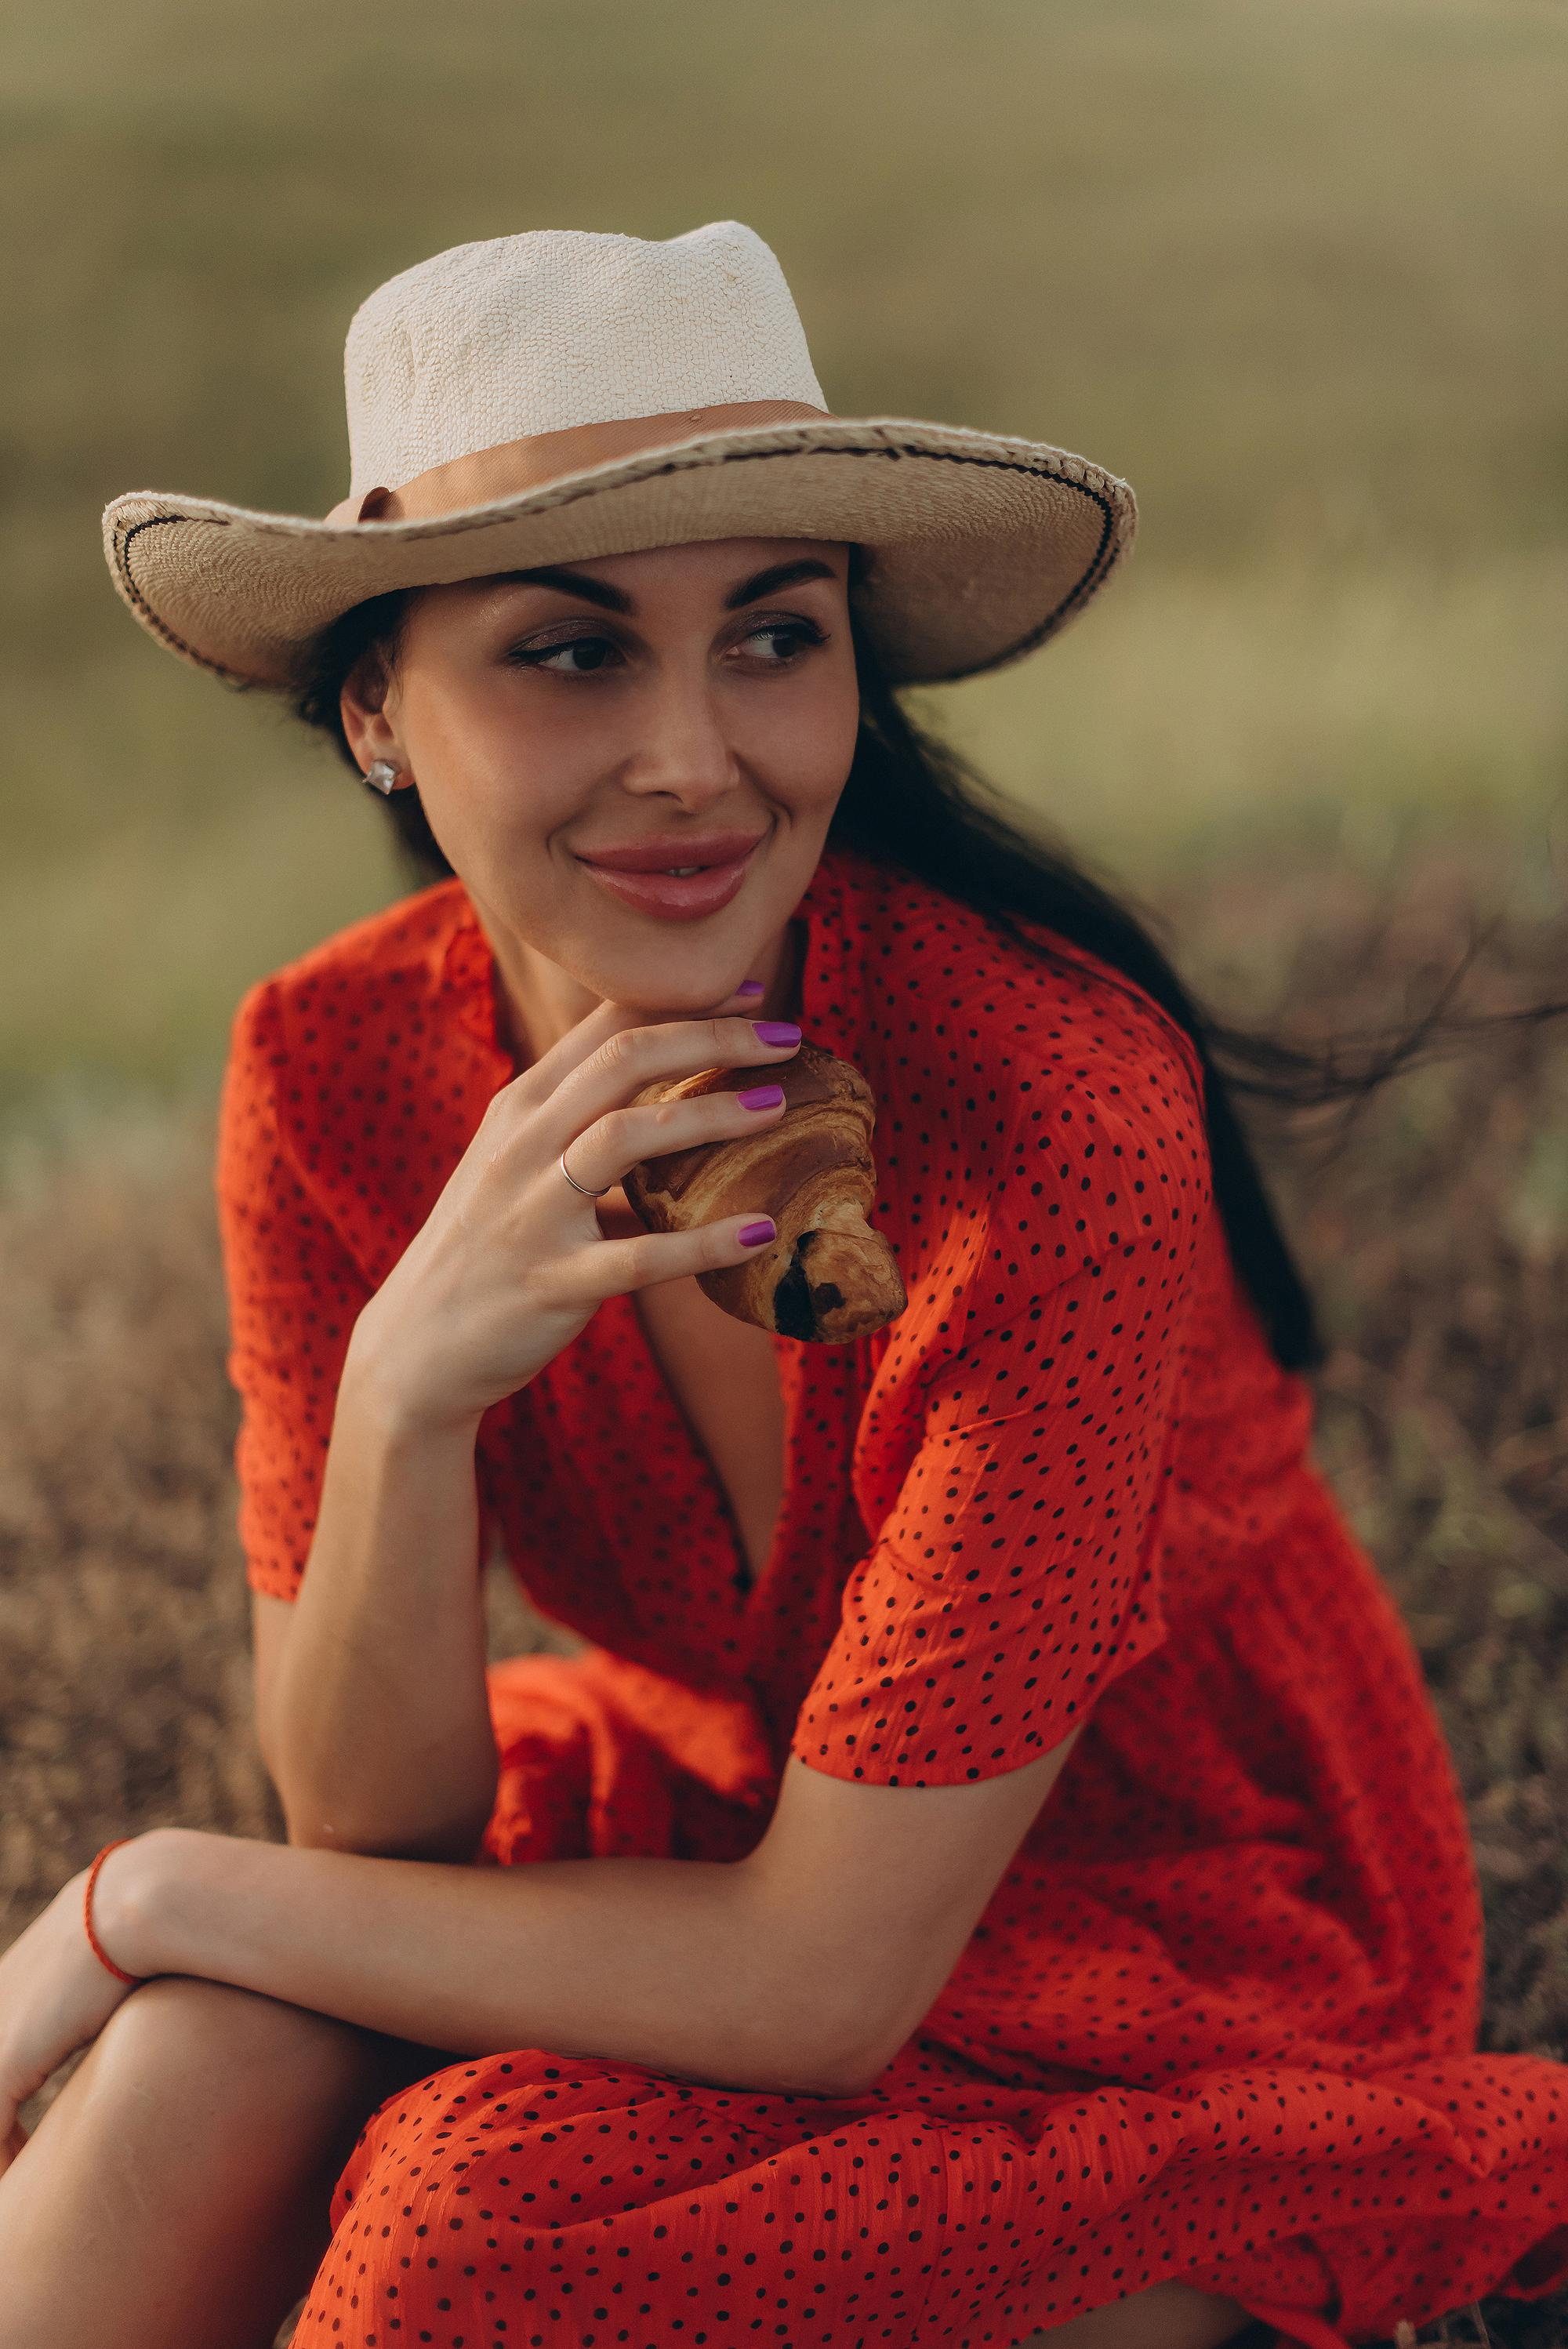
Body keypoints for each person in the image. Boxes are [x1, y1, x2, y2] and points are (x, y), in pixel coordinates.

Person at [0, 220, 1563, 2349]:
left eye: (770, 636)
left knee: (464, 2218)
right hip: (729, 1809)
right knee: (205, 2063)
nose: (695, 756)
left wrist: (144, 1896)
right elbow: (377, 1825)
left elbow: (822, 1989)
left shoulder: (1058, 1120)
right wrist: (406, 1396)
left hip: (1152, 1906)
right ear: (374, 709)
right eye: (569, 652)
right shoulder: (323, 1073)